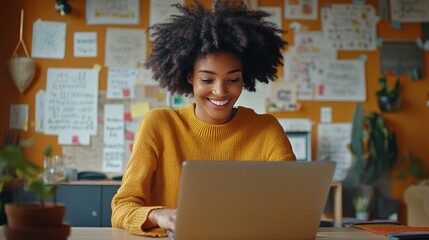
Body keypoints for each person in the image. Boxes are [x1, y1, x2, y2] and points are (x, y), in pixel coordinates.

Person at [111, 0, 296, 237]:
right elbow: (121, 208)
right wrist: (159, 215)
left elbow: (292, 206)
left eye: (232, 80)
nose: (220, 92)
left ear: (244, 78)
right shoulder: (159, 125)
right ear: (189, 76)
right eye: (207, 80)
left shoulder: (266, 130)